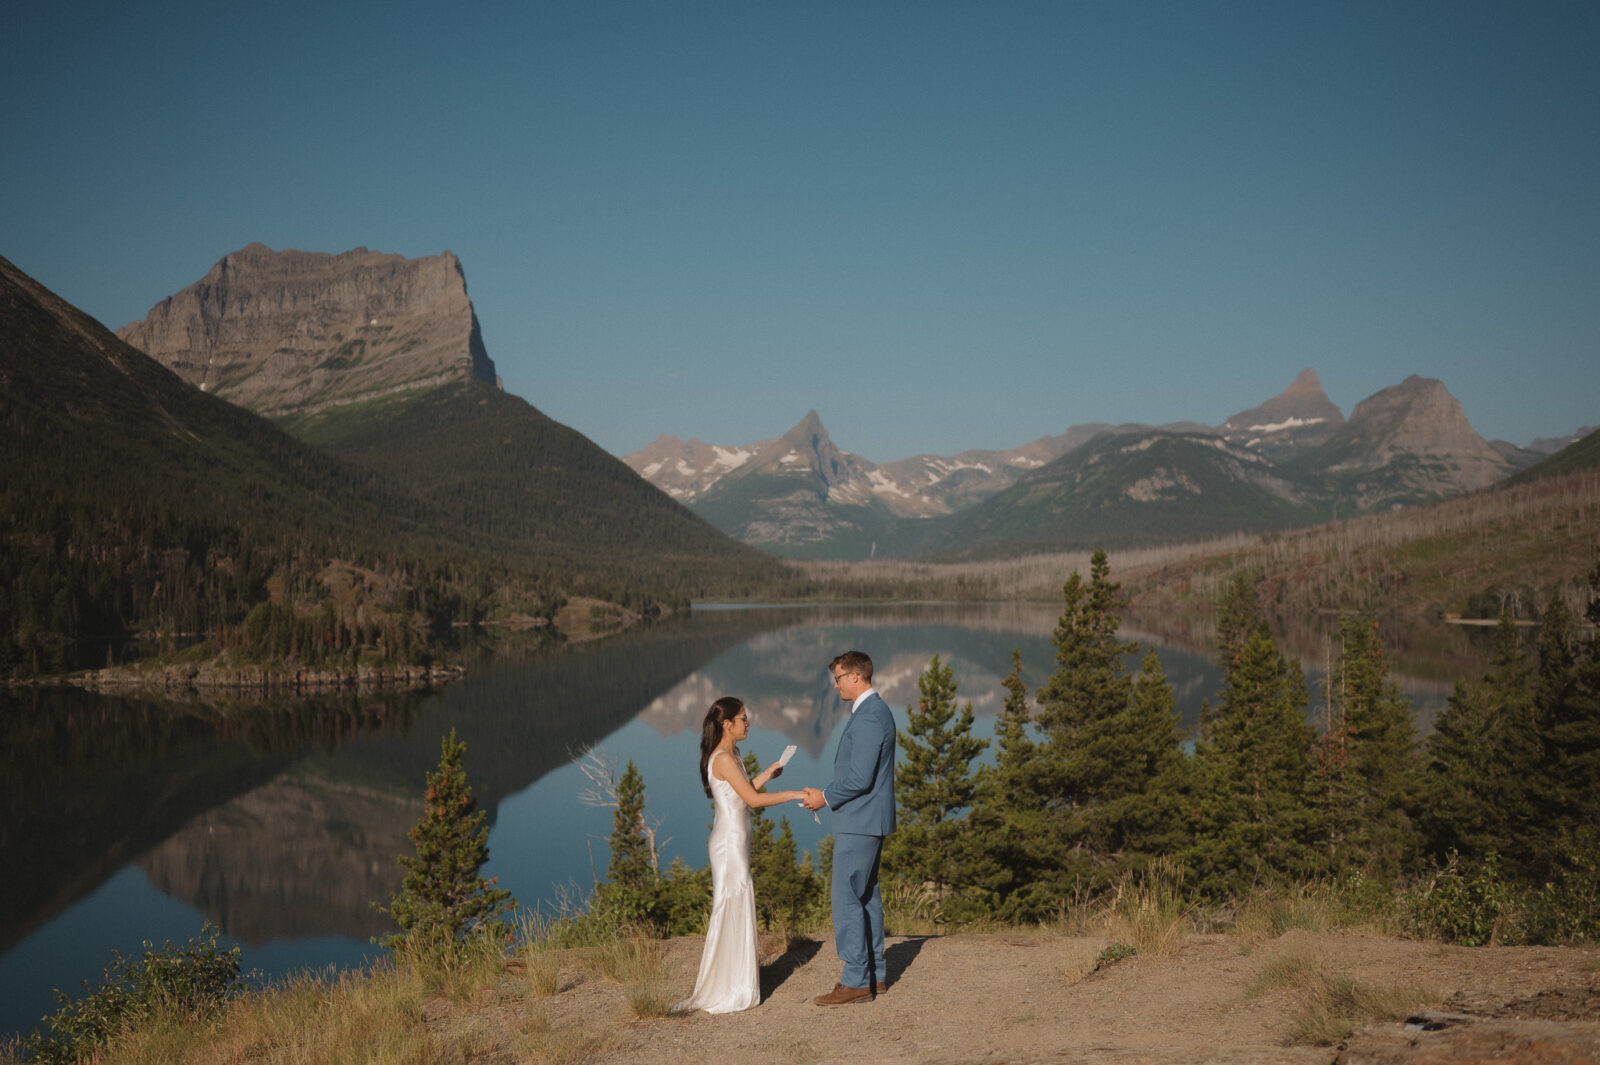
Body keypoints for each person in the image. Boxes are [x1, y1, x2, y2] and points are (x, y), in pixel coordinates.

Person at [676, 696, 806, 1014]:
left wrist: (767, 775)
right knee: (730, 904)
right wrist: (793, 794)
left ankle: (737, 979)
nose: (749, 723)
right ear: (727, 724)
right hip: (729, 843)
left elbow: (742, 790)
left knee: (737, 903)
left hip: (736, 840)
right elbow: (751, 800)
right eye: (744, 718)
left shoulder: (731, 754)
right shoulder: (722, 758)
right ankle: (726, 985)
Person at [800, 650, 896, 1005]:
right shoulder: (874, 712)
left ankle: (856, 980)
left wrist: (823, 797)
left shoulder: (871, 716)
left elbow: (859, 778)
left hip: (861, 820)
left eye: (839, 678)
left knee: (845, 898)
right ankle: (875, 974)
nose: (836, 685)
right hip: (868, 819)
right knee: (866, 894)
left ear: (856, 677)